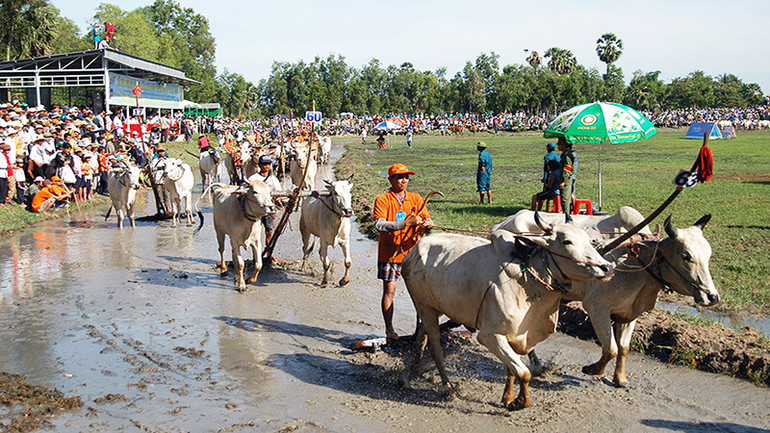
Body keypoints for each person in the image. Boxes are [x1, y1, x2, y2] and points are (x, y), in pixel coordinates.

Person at [373, 163, 433, 341]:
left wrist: (428, 226)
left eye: (406, 177)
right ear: (391, 179)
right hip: (390, 254)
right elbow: (379, 225)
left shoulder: (415, 199)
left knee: (420, 293)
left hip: (412, 253)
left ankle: (421, 329)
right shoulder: (383, 200)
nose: (404, 180)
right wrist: (404, 224)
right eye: (399, 177)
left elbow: (426, 221)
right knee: (389, 290)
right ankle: (389, 330)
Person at [246, 155, 283, 248]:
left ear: (271, 165)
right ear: (259, 165)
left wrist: (279, 197)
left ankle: (268, 252)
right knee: (251, 233)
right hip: (255, 209)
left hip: (268, 208)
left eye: (268, 164)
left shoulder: (273, 180)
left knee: (269, 231)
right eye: (264, 164)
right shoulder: (253, 179)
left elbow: (279, 192)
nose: (266, 166)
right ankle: (256, 253)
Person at [557, 137, 577, 215]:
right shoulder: (564, 154)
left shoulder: (567, 156)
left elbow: (567, 170)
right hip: (566, 179)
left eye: (559, 144)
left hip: (566, 180)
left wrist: (563, 182)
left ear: (564, 145)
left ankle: (567, 214)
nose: (557, 146)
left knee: (565, 199)